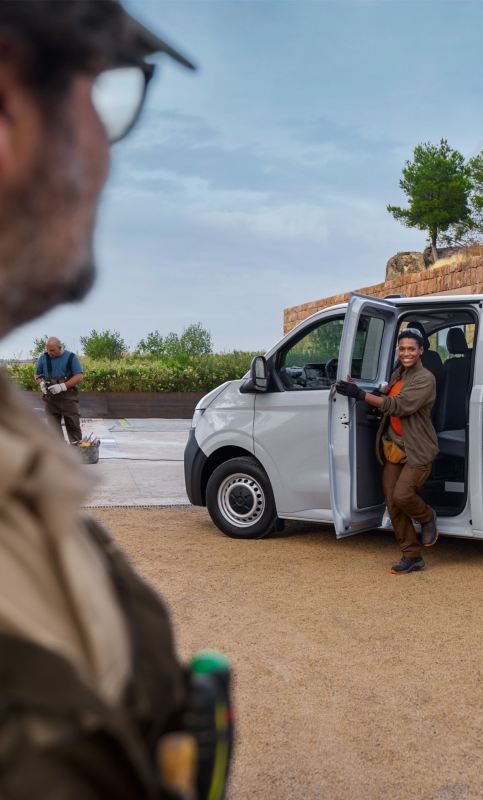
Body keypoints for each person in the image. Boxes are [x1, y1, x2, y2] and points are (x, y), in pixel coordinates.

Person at [0, 3, 206, 798]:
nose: (106, 151)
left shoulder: (26, 484)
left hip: (59, 408)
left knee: (69, 425)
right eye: (106, 95)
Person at [336, 327, 440, 574]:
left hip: (418, 450)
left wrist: (360, 395)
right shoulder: (398, 374)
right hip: (394, 447)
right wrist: (359, 387)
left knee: (403, 496)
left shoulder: (425, 378)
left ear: (421, 350)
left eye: (411, 349)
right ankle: (411, 555)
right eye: (402, 349)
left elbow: (398, 406)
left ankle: (427, 517)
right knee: (392, 502)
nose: (406, 353)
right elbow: (387, 393)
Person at [34, 336, 85, 443]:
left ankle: (76, 454)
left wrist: (62, 386)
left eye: (52, 350)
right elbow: (37, 375)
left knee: (73, 426)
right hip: (51, 399)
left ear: (60, 347)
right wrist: (41, 384)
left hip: (68, 398)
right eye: (47, 349)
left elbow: (79, 376)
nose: (49, 352)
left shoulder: (71, 357)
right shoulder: (43, 357)